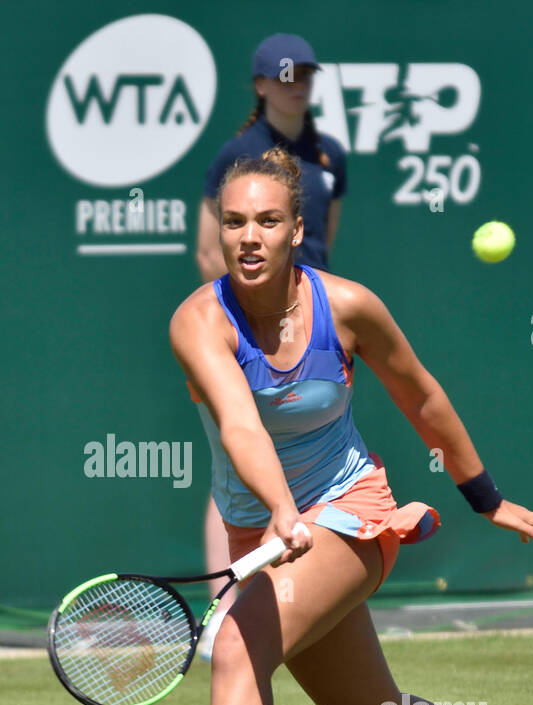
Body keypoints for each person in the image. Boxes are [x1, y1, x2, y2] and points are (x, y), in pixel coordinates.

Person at [116, 148, 533, 705]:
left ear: (300, 229)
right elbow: (239, 423)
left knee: (237, 646)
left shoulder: (348, 307)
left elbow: (421, 396)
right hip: (266, 530)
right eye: (234, 223)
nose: (249, 237)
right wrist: (278, 509)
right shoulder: (198, 321)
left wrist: (484, 496)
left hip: (355, 509)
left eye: (268, 221)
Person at [195, 33, 348, 658]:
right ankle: (223, 604)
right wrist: (236, 327)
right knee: (237, 461)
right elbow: (211, 250)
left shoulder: (331, 154)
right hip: (244, 329)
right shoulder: (239, 157)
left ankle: (308, 586)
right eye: (283, 76)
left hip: (308, 330)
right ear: (260, 86)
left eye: (305, 74)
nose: (296, 84)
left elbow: (325, 246)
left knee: (309, 456)